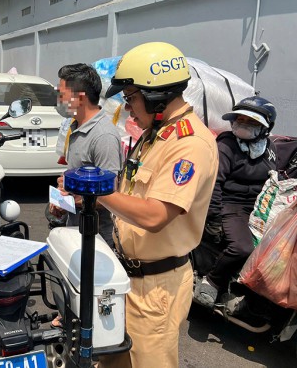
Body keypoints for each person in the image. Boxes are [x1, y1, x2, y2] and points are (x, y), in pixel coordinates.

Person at [95, 42, 218, 368]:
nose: (128, 107)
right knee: (110, 361)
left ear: (155, 96)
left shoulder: (189, 144)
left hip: (155, 287)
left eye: (131, 98)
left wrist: (97, 192)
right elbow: (131, 195)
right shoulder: (155, 135)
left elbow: (155, 215)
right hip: (126, 277)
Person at [195, 96, 277, 307]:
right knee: (243, 248)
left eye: (251, 122)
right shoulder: (226, 145)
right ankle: (212, 281)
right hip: (231, 206)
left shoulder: (269, 149)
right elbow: (213, 184)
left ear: (266, 128)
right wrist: (214, 217)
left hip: (259, 208)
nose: (243, 124)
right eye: (239, 119)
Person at [48, 63, 123, 249]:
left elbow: (111, 196)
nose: (58, 100)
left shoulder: (103, 136)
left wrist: (69, 199)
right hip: (76, 232)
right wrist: (62, 198)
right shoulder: (76, 127)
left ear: (80, 98)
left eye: (62, 94)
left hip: (97, 242)